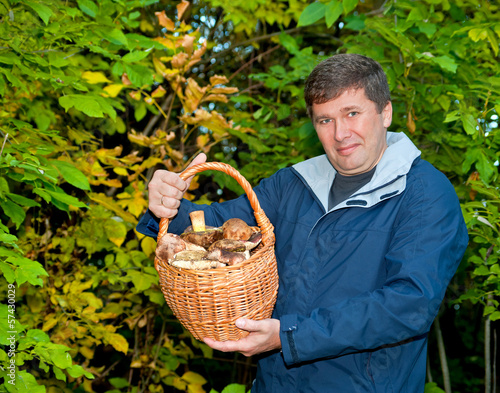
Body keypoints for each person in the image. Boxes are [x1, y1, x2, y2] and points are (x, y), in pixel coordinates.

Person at [137, 53, 469, 392]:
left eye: (352, 113)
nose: (340, 133)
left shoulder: (423, 192)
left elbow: (409, 303)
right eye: (324, 120)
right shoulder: (293, 184)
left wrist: (289, 336)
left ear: (385, 112)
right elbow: (218, 231)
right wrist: (167, 207)